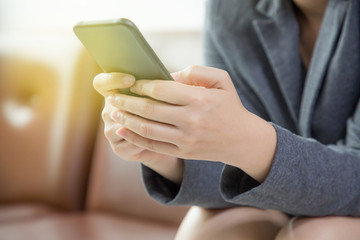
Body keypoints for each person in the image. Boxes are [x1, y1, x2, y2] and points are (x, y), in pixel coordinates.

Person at [93, 0, 360, 239]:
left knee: (320, 235)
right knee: (208, 230)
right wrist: (167, 152)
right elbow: (237, 164)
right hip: (285, 200)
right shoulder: (230, 7)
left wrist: (250, 142)